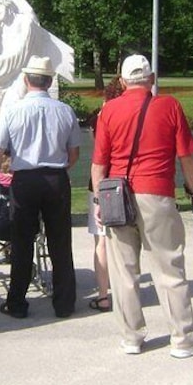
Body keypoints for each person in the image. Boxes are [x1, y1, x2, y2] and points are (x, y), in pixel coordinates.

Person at [91, 54, 193, 358]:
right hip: (156, 192)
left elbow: (99, 163)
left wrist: (98, 199)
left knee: (124, 271)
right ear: (152, 78)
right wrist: (191, 186)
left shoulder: (108, 111)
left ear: (121, 81)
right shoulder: (169, 105)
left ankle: (132, 337)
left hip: (116, 195)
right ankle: (183, 340)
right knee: (168, 267)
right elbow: (185, 155)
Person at [0, 55, 81, 319]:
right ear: (50, 81)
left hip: (25, 180)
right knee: (60, 242)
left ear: (26, 80)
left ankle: (17, 302)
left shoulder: (12, 112)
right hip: (55, 178)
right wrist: (60, 168)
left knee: (22, 242)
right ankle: (64, 303)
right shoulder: (65, 111)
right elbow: (74, 153)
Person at [86, 75, 125, 312]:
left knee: (101, 241)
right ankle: (125, 291)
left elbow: (98, 151)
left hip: (100, 181)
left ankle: (103, 295)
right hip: (123, 180)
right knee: (125, 240)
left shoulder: (98, 119)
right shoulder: (127, 116)